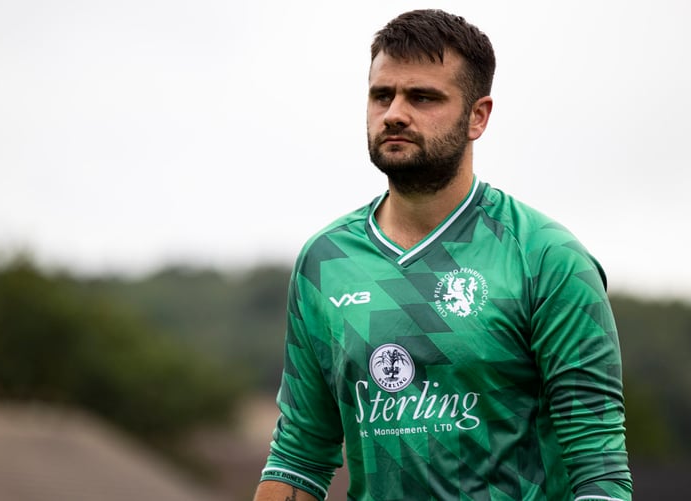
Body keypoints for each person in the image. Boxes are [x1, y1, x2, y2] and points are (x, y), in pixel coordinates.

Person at [254, 8, 632, 501]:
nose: (394, 113)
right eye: (381, 95)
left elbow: (598, 471)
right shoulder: (324, 261)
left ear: (478, 116)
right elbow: (300, 455)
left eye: (423, 97)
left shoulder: (547, 257)